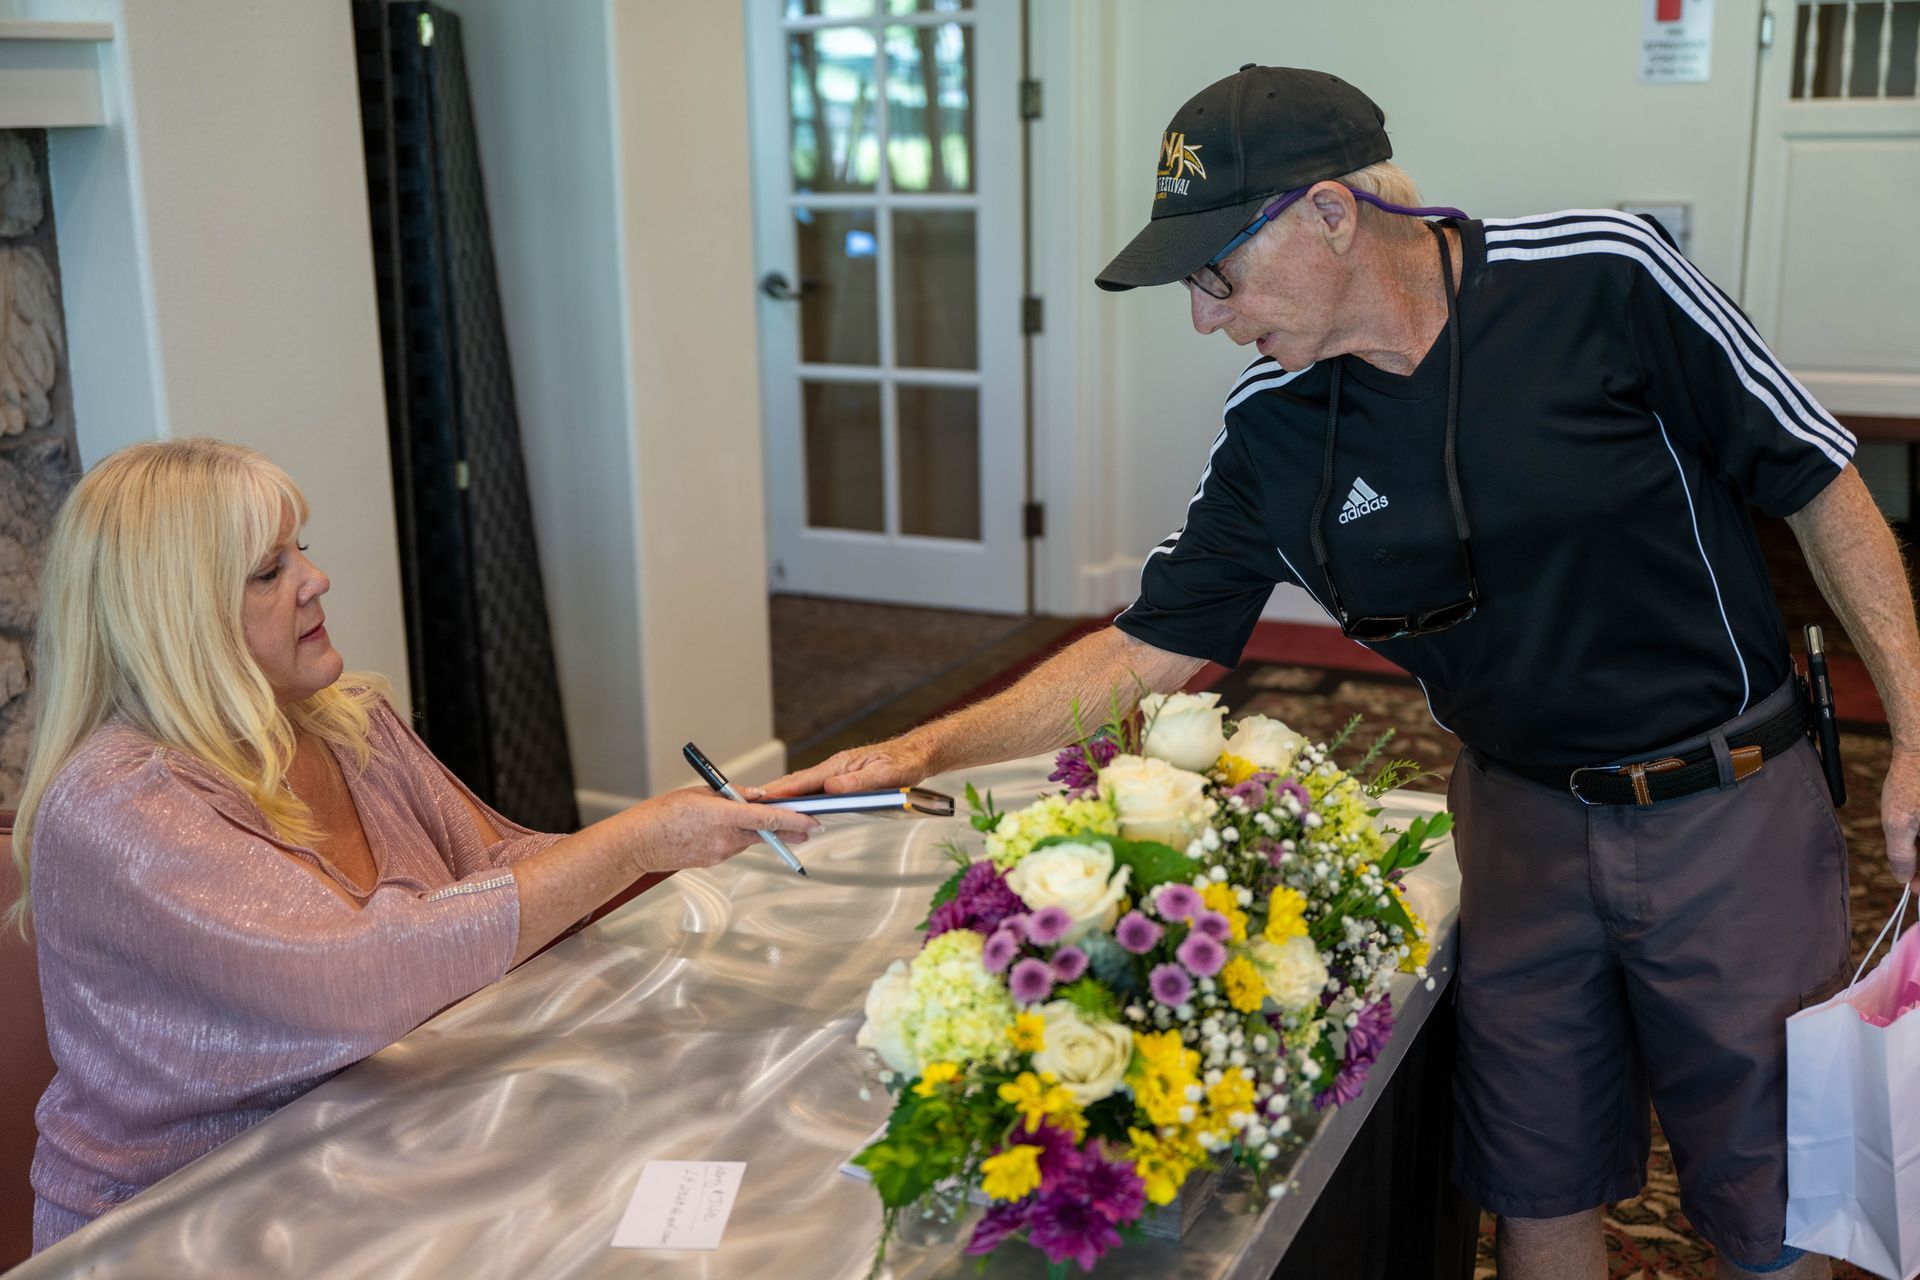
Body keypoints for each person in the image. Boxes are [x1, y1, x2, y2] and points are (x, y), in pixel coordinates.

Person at [766, 65, 1920, 1280]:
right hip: (1517, 822)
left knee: (1775, 1198)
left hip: (1726, 808)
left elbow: (1818, 479)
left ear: (1329, 211)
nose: (1204, 315)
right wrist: (921, 748)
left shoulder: (1604, 274)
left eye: (1216, 272)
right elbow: (1150, 640)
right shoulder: (1274, 425)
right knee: (1539, 1180)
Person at [9, 439, 820, 1252]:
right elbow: (356, 980)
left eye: (303, 550)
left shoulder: (345, 721)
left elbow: (499, 871)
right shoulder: (122, 802)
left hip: (383, 1150)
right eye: (268, 572)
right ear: (174, 619)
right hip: (192, 1223)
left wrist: (692, 834)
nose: (315, 579)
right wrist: (632, 844)